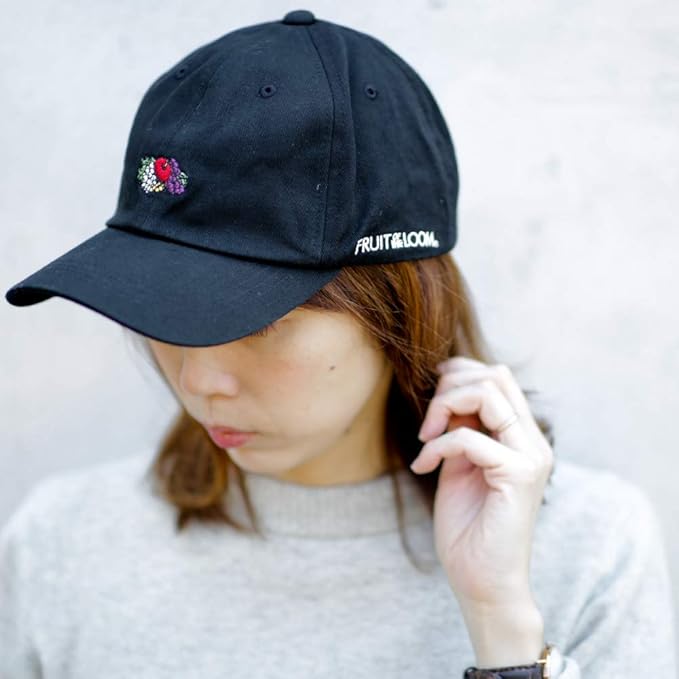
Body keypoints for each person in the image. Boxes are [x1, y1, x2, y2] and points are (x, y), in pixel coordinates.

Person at [1, 10, 676, 679]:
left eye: (259, 324)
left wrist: (501, 621)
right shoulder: (61, 543)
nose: (199, 381)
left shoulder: (588, 552)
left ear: (400, 312)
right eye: (158, 307)